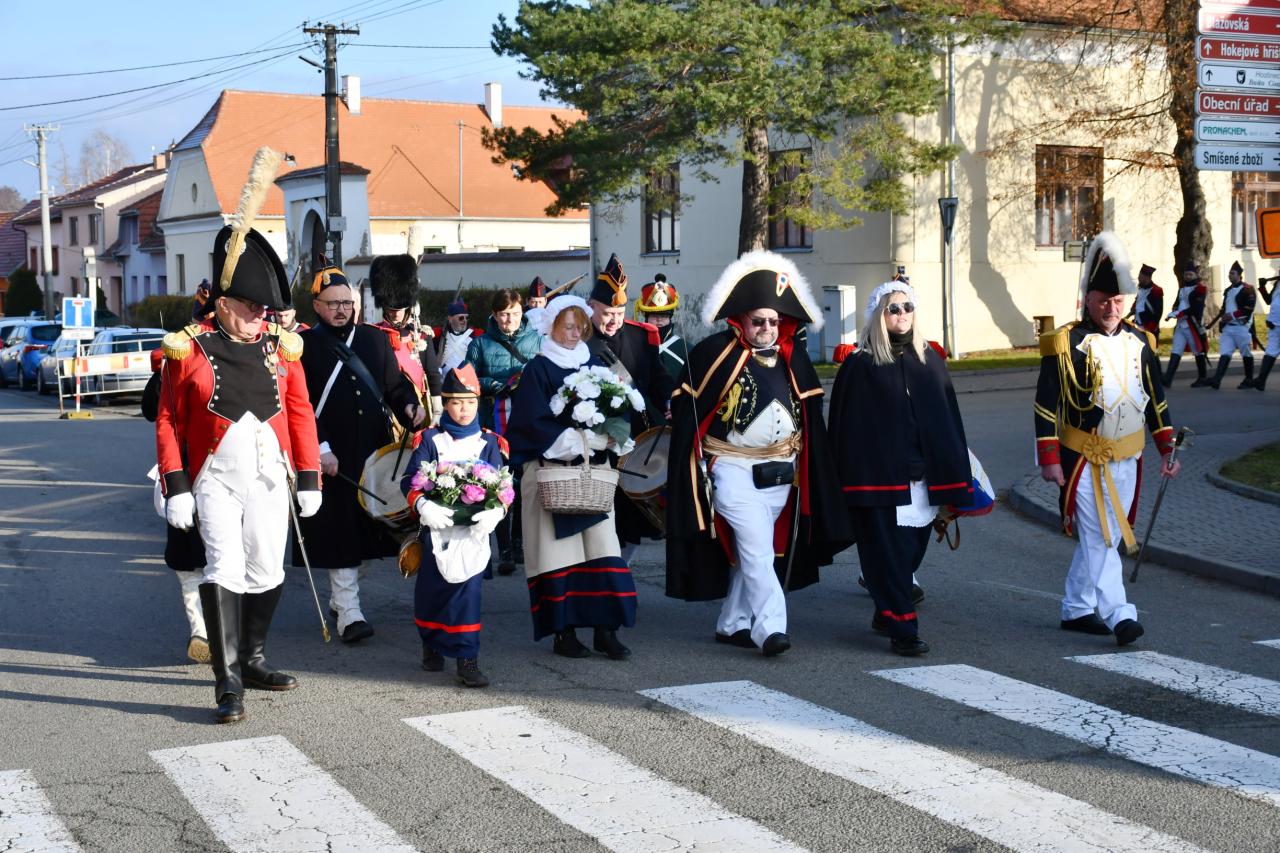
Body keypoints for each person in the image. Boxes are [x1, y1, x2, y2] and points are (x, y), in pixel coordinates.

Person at [154, 213, 322, 724]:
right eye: (250, 307)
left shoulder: (280, 348)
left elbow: (300, 412)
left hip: (270, 475)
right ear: (223, 304)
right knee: (223, 567)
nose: (259, 315)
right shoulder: (188, 348)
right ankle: (227, 681)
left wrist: (309, 476)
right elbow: (167, 419)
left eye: (263, 308)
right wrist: (176, 485)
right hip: (214, 479)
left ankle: (252, 658)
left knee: (268, 568)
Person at [666, 251, 852, 657]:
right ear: (740, 320)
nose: (766, 328)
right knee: (758, 549)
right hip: (732, 468)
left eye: (773, 321)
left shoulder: (793, 358)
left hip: (782, 472)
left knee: (754, 552)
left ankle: (732, 621)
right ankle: (770, 629)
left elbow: (810, 416)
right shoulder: (714, 353)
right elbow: (685, 408)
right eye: (758, 321)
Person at [1035, 232, 1180, 647]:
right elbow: (1046, 404)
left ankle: (1076, 607)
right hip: (1084, 457)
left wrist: (1167, 448)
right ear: (1088, 299)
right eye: (1103, 300)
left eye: (1117, 301)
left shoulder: (1141, 341)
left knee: (1108, 535)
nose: (1111, 308)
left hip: (1129, 456)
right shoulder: (1065, 343)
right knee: (1100, 535)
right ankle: (1120, 614)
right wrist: (1049, 458)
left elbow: (1155, 399)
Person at [828, 279, 969, 656]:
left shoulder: (930, 360)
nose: (902, 314)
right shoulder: (860, 366)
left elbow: (948, 419)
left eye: (908, 307)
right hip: (879, 480)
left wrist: (955, 468)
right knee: (887, 554)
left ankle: (885, 607)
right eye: (893, 308)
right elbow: (845, 428)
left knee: (911, 551)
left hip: (924, 478)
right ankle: (903, 628)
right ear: (879, 314)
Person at [504, 295, 637, 660]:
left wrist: (612, 434)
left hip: (593, 475)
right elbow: (529, 423)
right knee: (557, 558)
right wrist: (579, 440)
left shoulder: (595, 364)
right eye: (568, 326)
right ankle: (564, 634)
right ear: (551, 327)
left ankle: (606, 631)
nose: (575, 333)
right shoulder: (538, 369)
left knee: (604, 553)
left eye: (580, 327)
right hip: (553, 474)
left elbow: (618, 404)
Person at [295, 265, 423, 644]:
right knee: (342, 535)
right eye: (333, 303)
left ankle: (342, 598)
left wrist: (410, 407)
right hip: (333, 455)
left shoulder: (374, 340)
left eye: (346, 303)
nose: (341, 310)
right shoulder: (303, 346)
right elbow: (299, 405)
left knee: (366, 539)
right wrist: (320, 449)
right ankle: (350, 614)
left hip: (373, 452)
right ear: (316, 306)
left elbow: (395, 387)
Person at [400, 364, 509, 688]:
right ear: (445, 404)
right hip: (437, 529)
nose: (465, 409)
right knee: (433, 593)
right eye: (457, 402)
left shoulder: (490, 442)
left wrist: (497, 512)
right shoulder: (430, 439)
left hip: (474, 532)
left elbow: (503, 486)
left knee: (468, 595)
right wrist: (423, 505)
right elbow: (410, 480)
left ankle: (467, 658)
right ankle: (431, 643)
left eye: (471, 402)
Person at [141, 291, 216, 665]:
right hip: (186, 468)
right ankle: (200, 630)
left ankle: (224, 629)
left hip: (228, 467)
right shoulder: (181, 354)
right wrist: (162, 373)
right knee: (189, 560)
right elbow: (152, 412)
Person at [586, 254, 675, 562]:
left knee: (631, 524)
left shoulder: (641, 337)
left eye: (620, 313)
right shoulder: (578, 340)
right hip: (596, 447)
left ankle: (619, 574)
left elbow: (659, 380)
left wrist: (669, 401)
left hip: (636, 445)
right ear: (591, 307)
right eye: (607, 313)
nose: (614, 320)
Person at [466, 288, 541, 575]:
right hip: (493, 420)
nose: (509, 319)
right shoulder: (480, 344)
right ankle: (504, 547)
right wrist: (494, 385)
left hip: (526, 420)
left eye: (515, 313)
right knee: (497, 483)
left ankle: (520, 542)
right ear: (494, 315)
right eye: (503, 314)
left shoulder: (537, 340)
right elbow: (468, 379)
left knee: (525, 482)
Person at [369, 254, 443, 421]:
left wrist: (437, 410)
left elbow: (432, 373)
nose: (395, 314)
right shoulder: (376, 334)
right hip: (387, 407)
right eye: (391, 310)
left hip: (419, 406)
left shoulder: (421, 334)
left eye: (399, 310)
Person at [1206, 261, 1258, 390]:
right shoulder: (1228, 290)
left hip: (1242, 327)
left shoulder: (1248, 289)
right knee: (1225, 352)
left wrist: (1232, 315)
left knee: (1246, 353)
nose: (1230, 275)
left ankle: (1249, 379)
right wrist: (1217, 321)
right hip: (1228, 327)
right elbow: (1224, 309)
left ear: (1239, 275)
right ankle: (1217, 379)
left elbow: (1248, 308)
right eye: (1229, 273)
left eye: (1232, 273)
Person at [635, 273, 689, 381]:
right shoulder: (634, 346)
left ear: (670, 318)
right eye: (654, 316)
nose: (659, 320)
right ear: (646, 318)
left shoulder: (685, 349)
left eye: (664, 316)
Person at [1163, 261, 1209, 387]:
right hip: (1181, 324)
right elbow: (1177, 303)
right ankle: (1168, 379)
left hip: (1192, 324)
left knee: (1198, 351)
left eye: (1190, 274)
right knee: (1176, 349)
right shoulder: (1182, 289)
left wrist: (1178, 313)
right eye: (1186, 274)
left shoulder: (1200, 289)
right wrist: (1174, 310)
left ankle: (1202, 378)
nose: (1188, 277)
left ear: (1195, 275)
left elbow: (1196, 309)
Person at [434, 298, 483, 373]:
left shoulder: (475, 335)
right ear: (450, 319)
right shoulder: (439, 335)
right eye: (461, 318)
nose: (464, 320)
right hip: (443, 379)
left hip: (467, 377)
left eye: (466, 317)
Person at [1251, 274, 1279, 390]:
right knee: (1270, 353)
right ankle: (1261, 381)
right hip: (1275, 326)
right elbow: (1269, 301)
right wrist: (1262, 287)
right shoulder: (1278, 284)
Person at [1128, 264, 1163, 335]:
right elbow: (1138, 303)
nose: (1138, 278)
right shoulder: (1140, 289)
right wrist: (1129, 314)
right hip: (1137, 324)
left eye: (1140, 276)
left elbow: (1158, 312)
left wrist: (1150, 329)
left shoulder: (1156, 290)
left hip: (1148, 327)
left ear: (1145, 277)